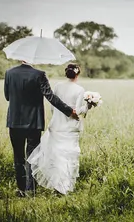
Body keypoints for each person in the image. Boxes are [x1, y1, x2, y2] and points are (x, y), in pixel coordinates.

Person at [4, 60, 79, 197]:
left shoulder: (9, 73)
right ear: (31, 59)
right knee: (32, 156)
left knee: (18, 157)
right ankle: (30, 190)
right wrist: (69, 111)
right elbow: (50, 97)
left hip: (14, 121)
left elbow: (7, 97)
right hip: (33, 122)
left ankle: (21, 189)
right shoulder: (39, 74)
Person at [27, 63, 95, 195]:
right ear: (77, 74)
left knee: (57, 155)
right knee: (68, 155)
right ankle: (63, 186)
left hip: (57, 125)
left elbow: (53, 107)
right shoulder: (80, 90)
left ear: (66, 73)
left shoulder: (58, 86)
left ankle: (56, 185)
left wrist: (58, 118)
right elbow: (77, 111)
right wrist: (88, 106)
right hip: (70, 127)